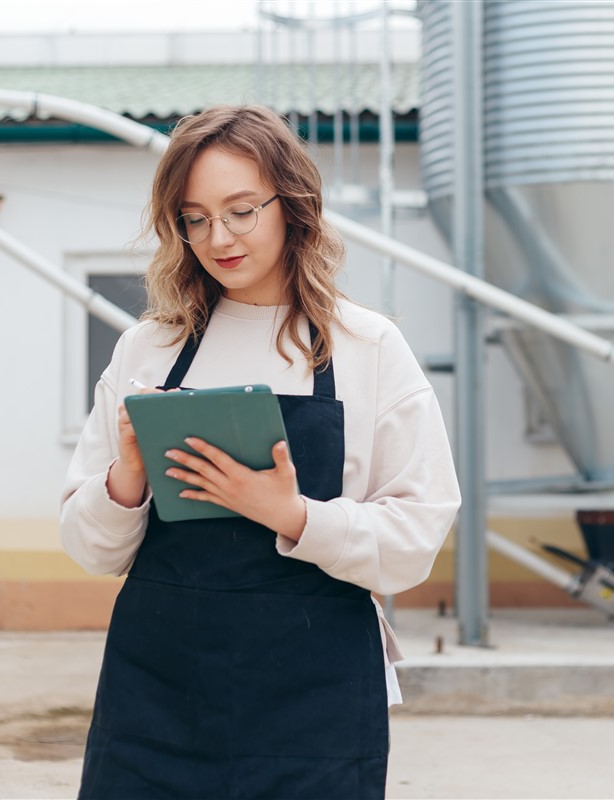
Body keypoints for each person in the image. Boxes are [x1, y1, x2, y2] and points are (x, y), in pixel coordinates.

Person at [60, 104, 461, 799]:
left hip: (314, 701)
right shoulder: (147, 350)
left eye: (242, 211)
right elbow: (91, 549)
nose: (219, 238)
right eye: (194, 218)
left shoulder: (366, 350)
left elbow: (415, 540)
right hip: (157, 694)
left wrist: (294, 515)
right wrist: (126, 477)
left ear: (292, 205)